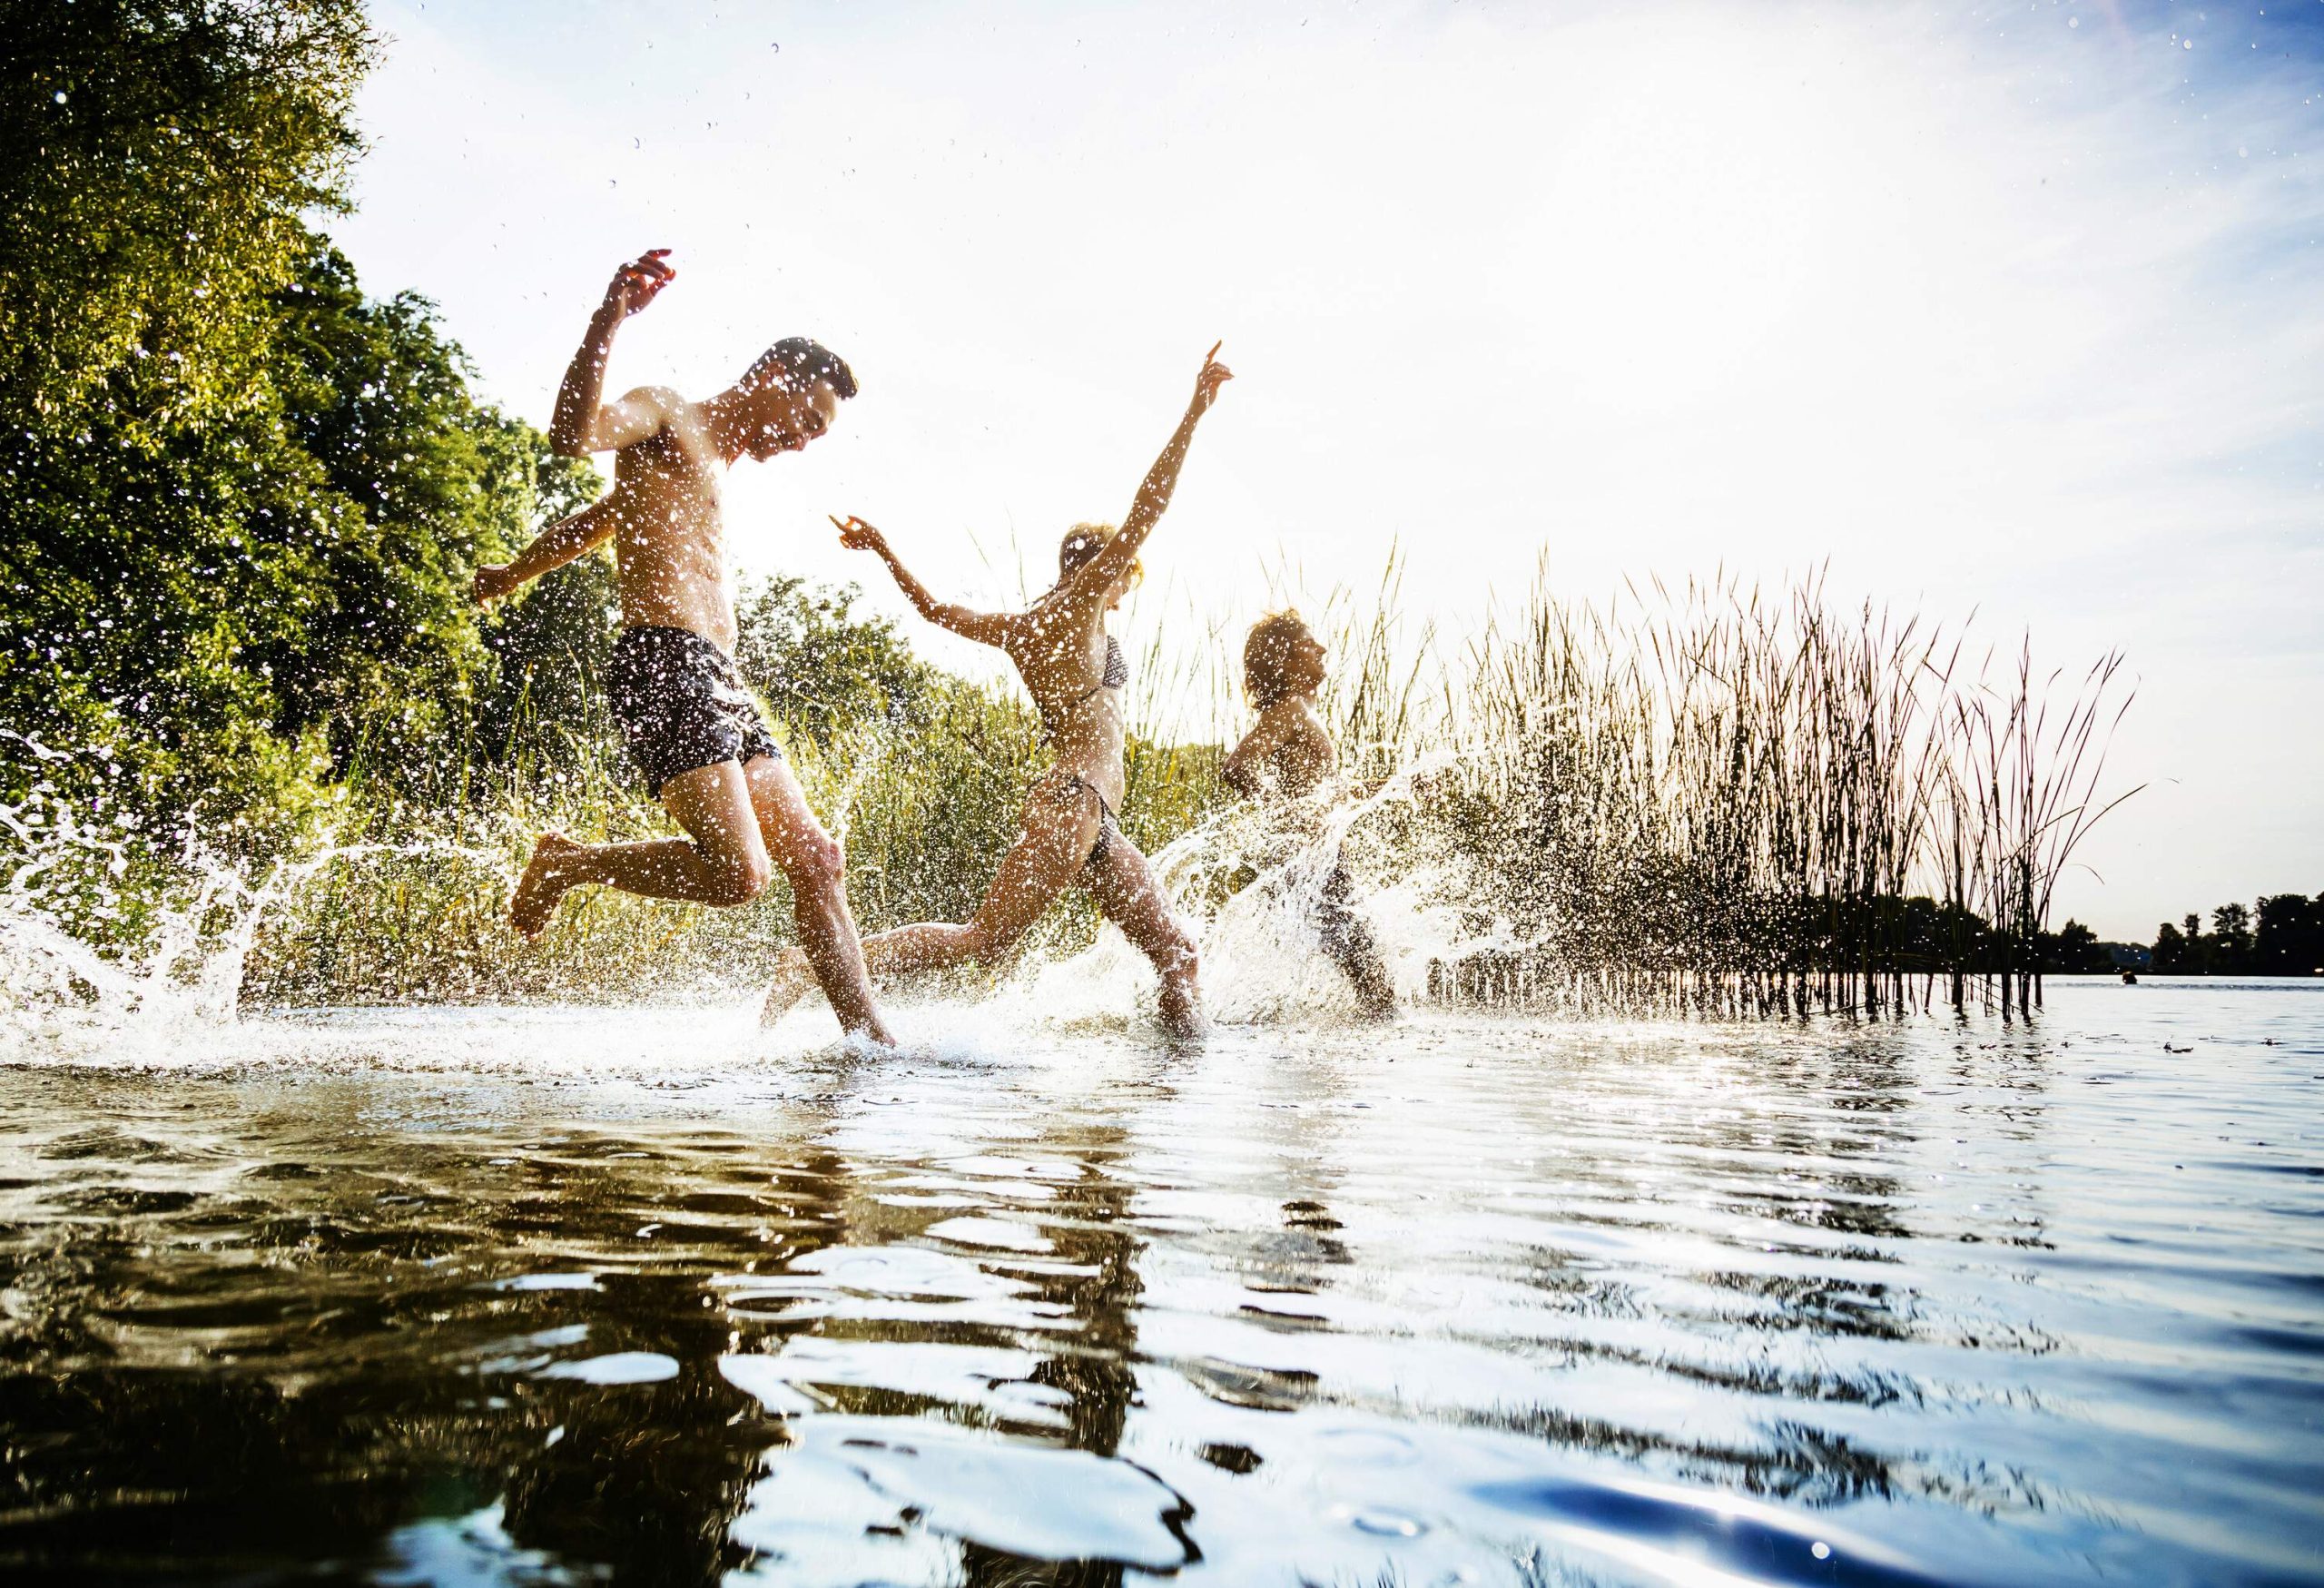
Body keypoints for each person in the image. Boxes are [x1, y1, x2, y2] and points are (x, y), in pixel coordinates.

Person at [472, 249, 891, 1046]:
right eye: (809, 419)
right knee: (740, 875)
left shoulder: (715, 470)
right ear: (774, 373)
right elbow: (572, 435)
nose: (805, 442)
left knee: (818, 858)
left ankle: (874, 1046)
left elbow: (594, 525)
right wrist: (609, 319)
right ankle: (568, 862)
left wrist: (516, 569)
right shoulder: (667, 413)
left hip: (720, 677)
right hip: (661, 661)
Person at [760, 344, 1234, 1038]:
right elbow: (1150, 505)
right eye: (1122, 578)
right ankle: (810, 965)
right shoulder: (1079, 607)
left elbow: (933, 610)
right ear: (1109, 571)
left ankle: (1173, 1086)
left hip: (1090, 817)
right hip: (1073, 806)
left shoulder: (1023, 625)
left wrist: (887, 552)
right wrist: (1194, 410)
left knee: (1177, 953)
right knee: (983, 939)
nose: (1123, 593)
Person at [1220, 610, 1397, 1018]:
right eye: (1308, 643)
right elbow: (1237, 765)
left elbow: (1326, 795)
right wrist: (1285, 816)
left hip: (1318, 860)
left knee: (1370, 984)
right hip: (1314, 861)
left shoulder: (1300, 711)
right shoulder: (1292, 708)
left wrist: (1393, 787)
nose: (1322, 648)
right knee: (1377, 991)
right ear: (1283, 659)